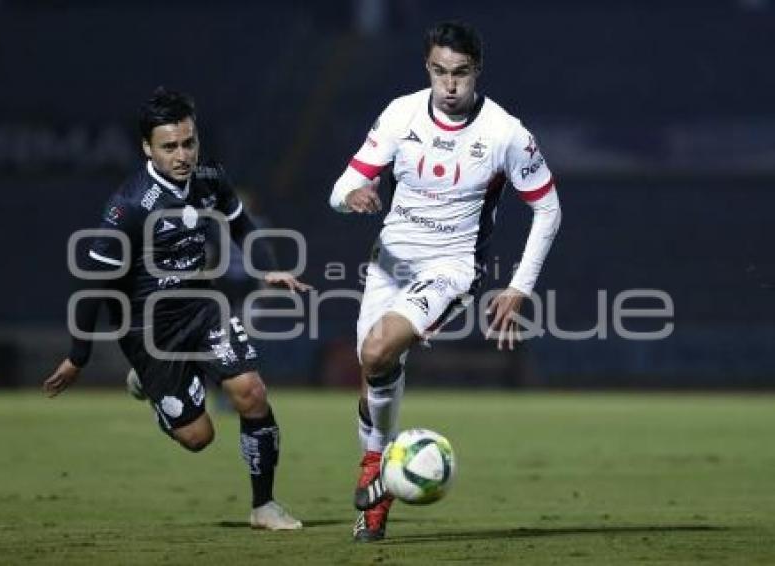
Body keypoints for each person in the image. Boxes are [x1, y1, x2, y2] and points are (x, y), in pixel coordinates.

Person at [329, 21, 562, 542]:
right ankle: (380, 477)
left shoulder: (505, 134)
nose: (450, 85)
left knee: (376, 350)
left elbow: (548, 209)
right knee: (375, 374)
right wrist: (352, 197)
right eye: (440, 72)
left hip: (451, 267)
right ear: (427, 69)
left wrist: (519, 287)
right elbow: (342, 185)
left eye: (460, 73)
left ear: (476, 71)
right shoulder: (400, 114)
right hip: (388, 261)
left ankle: (374, 474)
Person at [44, 87, 310, 531]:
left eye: (189, 142)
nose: (182, 155)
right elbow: (93, 282)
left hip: (203, 308)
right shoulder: (128, 206)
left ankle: (264, 506)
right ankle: (150, 387)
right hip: (149, 331)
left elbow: (239, 218)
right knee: (198, 438)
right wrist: (78, 356)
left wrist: (266, 270)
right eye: (170, 146)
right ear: (147, 148)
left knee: (251, 393)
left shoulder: (211, 179)